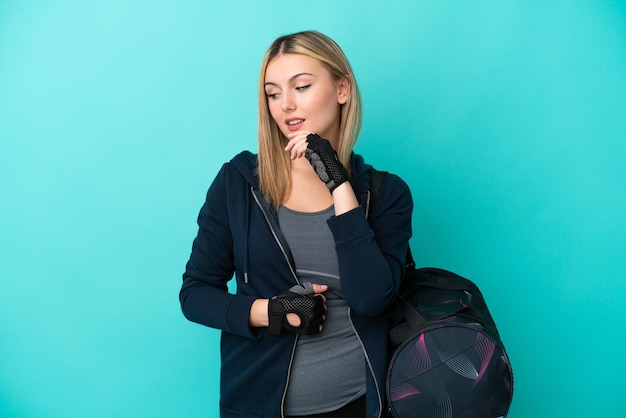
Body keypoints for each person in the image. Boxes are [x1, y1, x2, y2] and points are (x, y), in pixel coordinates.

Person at [180, 30, 413, 418]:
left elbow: (372, 297)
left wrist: (339, 183)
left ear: (342, 89)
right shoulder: (238, 183)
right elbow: (195, 294)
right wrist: (268, 311)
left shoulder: (386, 194)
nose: (286, 105)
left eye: (301, 86)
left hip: (359, 404)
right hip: (258, 405)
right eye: (273, 93)